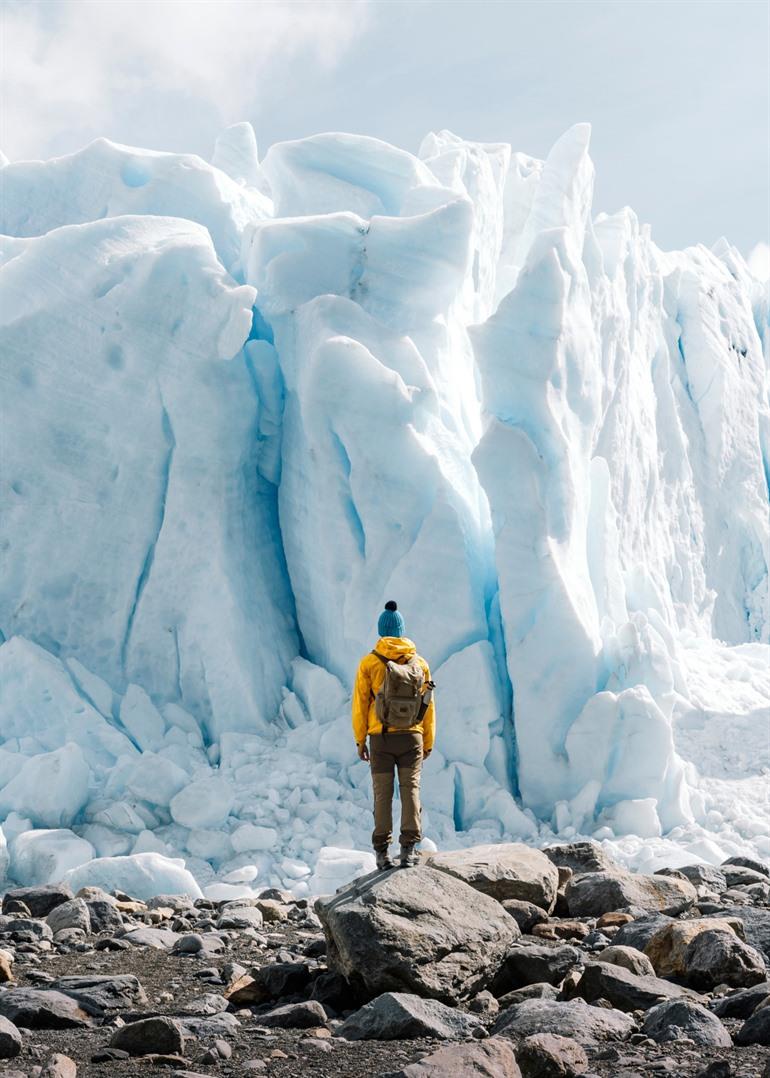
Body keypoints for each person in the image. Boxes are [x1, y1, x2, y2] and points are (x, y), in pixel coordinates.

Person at [352, 600, 436, 870]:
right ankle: (409, 849)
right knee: (411, 790)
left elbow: (360, 704)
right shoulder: (419, 663)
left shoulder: (370, 663)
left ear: (380, 630)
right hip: (412, 736)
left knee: (382, 794)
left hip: (381, 739)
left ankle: (382, 853)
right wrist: (428, 741)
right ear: (401, 630)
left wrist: (360, 739)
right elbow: (428, 705)